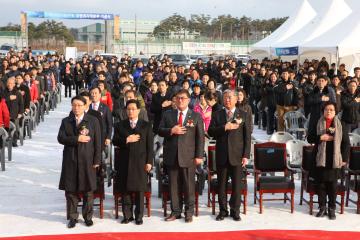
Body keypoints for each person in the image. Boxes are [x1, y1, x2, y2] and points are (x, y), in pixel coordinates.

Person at [158, 89, 205, 223]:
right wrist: (171, 130)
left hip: (189, 157)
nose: (180, 100)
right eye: (178, 98)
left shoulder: (195, 116)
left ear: (189, 100)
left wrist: (199, 156)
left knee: (188, 186)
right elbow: (160, 130)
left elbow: (200, 138)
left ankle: (188, 212)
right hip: (172, 156)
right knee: (174, 186)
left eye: (183, 98)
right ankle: (175, 211)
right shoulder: (168, 114)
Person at [57, 95, 102, 228]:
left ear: (85, 106)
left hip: (87, 160)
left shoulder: (93, 121)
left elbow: (98, 143)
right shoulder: (66, 121)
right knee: (71, 190)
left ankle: (87, 216)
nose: (76, 108)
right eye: (74, 105)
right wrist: (76, 139)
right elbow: (61, 138)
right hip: (70, 160)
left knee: (88, 190)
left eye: (79, 105)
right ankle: (72, 217)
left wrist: (97, 160)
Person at [208, 89, 251, 221]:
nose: (227, 100)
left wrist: (246, 155)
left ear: (236, 99)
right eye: (225, 97)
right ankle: (223, 210)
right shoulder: (217, 114)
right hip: (222, 154)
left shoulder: (243, 114)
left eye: (230, 97)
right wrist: (224, 128)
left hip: (237, 155)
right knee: (222, 186)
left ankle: (235, 210)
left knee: (237, 186)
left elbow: (247, 137)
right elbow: (210, 131)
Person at [112, 99, 154, 225]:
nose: (131, 111)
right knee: (126, 190)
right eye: (128, 109)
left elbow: (149, 146)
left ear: (138, 110)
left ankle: (139, 216)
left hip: (141, 162)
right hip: (124, 161)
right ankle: (127, 215)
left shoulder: (146, 125)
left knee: (140, 190)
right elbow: (115, 141)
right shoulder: (120, 125)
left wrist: (149, 162)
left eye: (133, 109)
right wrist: (127, 139)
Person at [307, 102, 347, 220]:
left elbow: (346, 143)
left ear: (335, 112)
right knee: (321, 184)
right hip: (320, 158)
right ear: (323, 111)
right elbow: (309, 138)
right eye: (326, 109)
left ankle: (332, 209)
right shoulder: (317, 122)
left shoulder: (341, 124)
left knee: (333, 185)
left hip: (335, 158)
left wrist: (344, 159)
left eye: (331, 110)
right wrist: (321, 137)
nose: (328, 112)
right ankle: (322, 207)